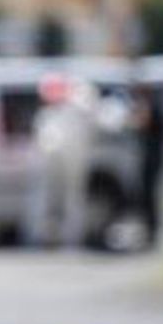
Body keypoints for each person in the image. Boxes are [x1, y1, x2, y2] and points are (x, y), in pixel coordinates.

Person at [29, 74, 97, 248]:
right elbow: (44, 142)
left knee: (72, 199)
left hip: (72, 163)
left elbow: (90, 120)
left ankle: (72, 238)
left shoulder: (75, 109)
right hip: (52, 164)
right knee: (46, 199)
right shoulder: (47, 114)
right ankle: (43, 236)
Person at [137, 84, 163, 248]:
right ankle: (149, 229)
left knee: (150, 196)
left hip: (153, 159)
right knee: (146, 196)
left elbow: (144, 123)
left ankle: (152, 231)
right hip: (148, 159)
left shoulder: (154, 107)